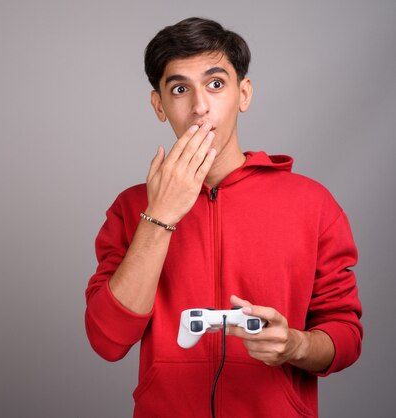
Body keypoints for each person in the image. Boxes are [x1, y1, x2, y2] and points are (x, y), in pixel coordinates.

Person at [84, 17, 362, 418]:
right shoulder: (131, 209)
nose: (199, 106)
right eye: (180, 89)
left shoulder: (312, 203)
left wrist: (295, 345)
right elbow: (107, 340)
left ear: (243, 93)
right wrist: (159, 215)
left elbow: (346, 335)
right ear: (159, 105)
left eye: (216, 84)